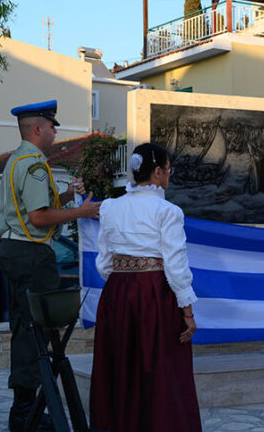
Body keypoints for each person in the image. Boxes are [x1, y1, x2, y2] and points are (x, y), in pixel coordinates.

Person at [0, 99, 100, 431]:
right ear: (37, 128)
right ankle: (25, 412)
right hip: (31, 254)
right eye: (52, 125)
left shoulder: (17, 161)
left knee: (26, 329)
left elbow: (30, 211)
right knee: (35, 334)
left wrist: (67, 196)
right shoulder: (35, 166)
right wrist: (82, 211)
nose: (56, 131)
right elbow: (39, 218)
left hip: (16, 250)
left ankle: (25, 409)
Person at [90, 142, 201, 432]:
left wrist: (123, 282)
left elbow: (103, 262)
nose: (168, 175)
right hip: (154, 294)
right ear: (156, 172)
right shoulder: (168, 211)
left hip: (117, 293)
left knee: (121, 364)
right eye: (167, 170)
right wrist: (187, 312)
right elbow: (176, 266)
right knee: (160, 367)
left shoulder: (110, 207)